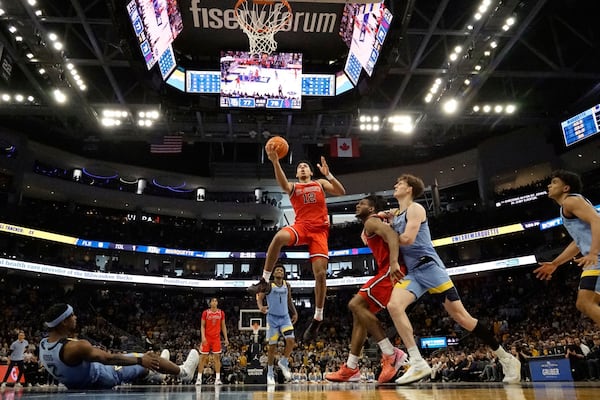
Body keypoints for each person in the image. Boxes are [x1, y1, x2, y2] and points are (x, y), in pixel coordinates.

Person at [385, 173, 521, 385]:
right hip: (414, 273)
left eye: (400, 183)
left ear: (410, 188)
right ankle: (418, 362)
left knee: (462, 318)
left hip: (430, 267)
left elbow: (408, 239)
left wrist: (386, 231)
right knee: (394, 306)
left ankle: (507, 358)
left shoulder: (415, 209)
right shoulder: (396, 213)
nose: (395, 185)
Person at [248, 146, 346, 341]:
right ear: (297, 173)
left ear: (311, 172)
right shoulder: (293, 186)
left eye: (305, 167)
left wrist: (329, 175)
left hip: (319, 231)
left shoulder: (320, 183)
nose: (302, 168)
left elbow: (341, 191)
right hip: (301, 227)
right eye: (299, 167)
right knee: (278, 238)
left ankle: (318, 316)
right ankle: (264, 281)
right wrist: (275, 162)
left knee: (320, 274)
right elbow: (283, 183)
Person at [325, 195, 408, 383]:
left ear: (371, 209)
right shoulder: (372, 223)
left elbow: (392, 236)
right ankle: (351, 368)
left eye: (362, 203)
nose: (357, 205)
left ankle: (390, 353)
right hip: (386, 270)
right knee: (359, 316)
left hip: (390, 270)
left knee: (355, 304)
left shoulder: (372, 221)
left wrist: (394, 263)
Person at [38, 303, 199, 389]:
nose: (76, 317)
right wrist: (139, 360)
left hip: (76, 384)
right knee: (145, 358)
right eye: (72, 315)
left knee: (143, 365)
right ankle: (183, 372)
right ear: (64, 322)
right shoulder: (76, 347)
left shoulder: (43, 345)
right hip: (102, 377)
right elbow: (108, 359)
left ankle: (156, 374)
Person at [534, 170, 600, 327]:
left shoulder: (570, 201)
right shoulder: (568, 207)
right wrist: (555, 263)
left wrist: (593, 252)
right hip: (595, 258)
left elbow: (597, 221)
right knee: (587, 303)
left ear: (566, 188)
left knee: (585, 303)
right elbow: (578, 242)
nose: (549, 185)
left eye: (555, 182)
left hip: (596, 258)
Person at [256, 264, 298, 385]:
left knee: (291, 340)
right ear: (273, 274)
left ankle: (283, 361)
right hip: (272, 319)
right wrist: (260, 307)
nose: (279, 271)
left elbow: (289, 300)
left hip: (285, 318)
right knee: (272, 347)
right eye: (277, 270)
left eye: (281, 270)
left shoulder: (287, 285)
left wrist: (294, 312)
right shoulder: (268, 285)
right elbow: (259, 298)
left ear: (284, 274)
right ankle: (270, 372)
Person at [195, 297, 229, 385]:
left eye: (216, 301)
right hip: (207, 337)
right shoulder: (205, 313)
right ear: (210, 303)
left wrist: (226, 338)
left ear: (217, 303)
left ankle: (217, 379)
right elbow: (202, 326)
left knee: (217, 357)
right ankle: (199, 378)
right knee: (202, 358)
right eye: (213, 301)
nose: (214, 302)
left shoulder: (221, 313)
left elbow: (223, 326)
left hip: (216, 338)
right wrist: (203, 337)